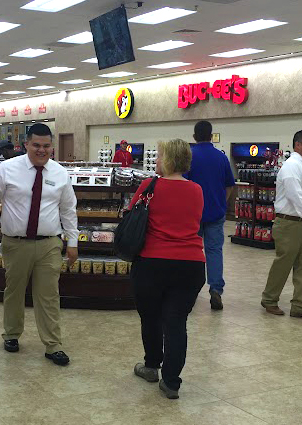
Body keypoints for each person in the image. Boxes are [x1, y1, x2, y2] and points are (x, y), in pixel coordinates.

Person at [0, 123, 79, 366]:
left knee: (49, 295)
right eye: (36, 145)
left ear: (52, 147)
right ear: (26, 145)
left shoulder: (59, 173)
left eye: (46, 146)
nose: (41, 150)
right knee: (14, 290)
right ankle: (12, 334)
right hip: (16, 243)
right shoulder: (7, 169)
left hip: (49, 244)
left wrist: (72, 241)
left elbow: (68, 210)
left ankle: (53, 345)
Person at [129, 139, 205, 400]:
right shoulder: (197, 190)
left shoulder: (149, 186)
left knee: (150, 318)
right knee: (176, 323)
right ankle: (171, 382)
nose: (156, 161)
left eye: (159, 156)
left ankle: (151, 367)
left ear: (169, 159)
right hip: (191, 264)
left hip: (152, 262)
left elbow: (132, 214)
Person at [261, 130, 302, 321]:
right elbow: (295, 196)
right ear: (298, 145)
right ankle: (269, 300)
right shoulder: (291, 167)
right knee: (284, 263)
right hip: (290, 223)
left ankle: (300, 306)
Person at [186, 121, 235, 310]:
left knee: (192, 252)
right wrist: (222, 202)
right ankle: (215, 290)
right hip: (216, 212)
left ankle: (191, 290)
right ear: (212, 136)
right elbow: (229, 185)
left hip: (192, 214)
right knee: (214, 251)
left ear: (194, 136)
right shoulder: (221, 158)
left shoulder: (189, 156)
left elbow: (183, 184)